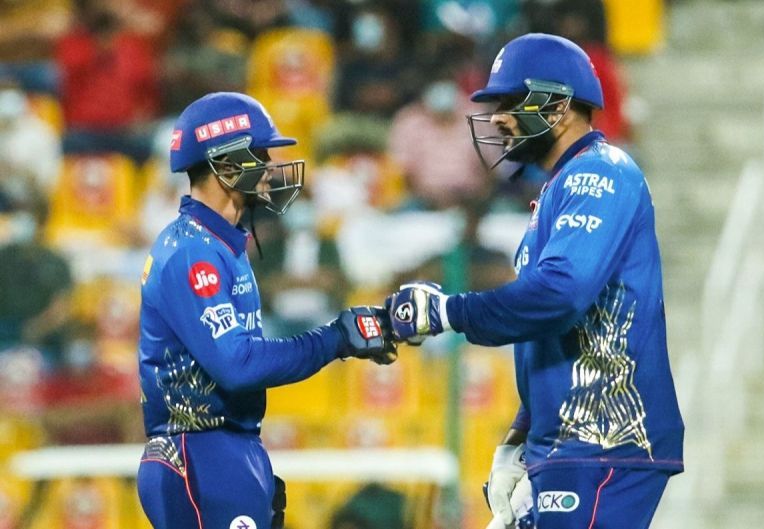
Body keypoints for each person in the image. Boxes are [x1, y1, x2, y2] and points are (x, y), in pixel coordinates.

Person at [385, 34, 684, 529]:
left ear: (560, 106)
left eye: (510, 102)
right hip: (569, 443)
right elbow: (555, 335)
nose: (498, 117)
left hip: (603, 439)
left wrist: (446, 311)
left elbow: (559, 296)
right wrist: (518, 440)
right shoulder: (561, 185)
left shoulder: (600, 174)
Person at [136, 92, 397, 529]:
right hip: (202, 455)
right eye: (261, 155)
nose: (273, 169)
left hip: (222, 451)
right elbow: (237, 365)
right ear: (227, 163)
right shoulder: (193, 254)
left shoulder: (219, 244)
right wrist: (335, 339)